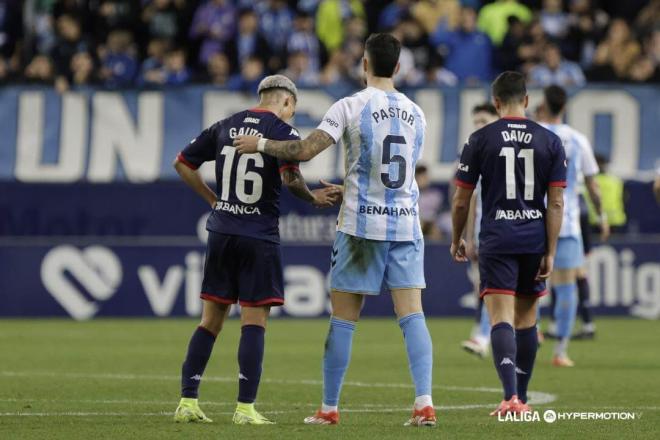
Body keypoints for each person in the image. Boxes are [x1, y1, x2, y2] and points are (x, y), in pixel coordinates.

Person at [235, 33, 436, 427]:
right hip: (405, 224)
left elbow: (306, 149)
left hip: (361, 226)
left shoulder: (350, 105)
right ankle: (424, 404)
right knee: (412, 316)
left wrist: (261, 144)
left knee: (344, 318)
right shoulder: (417, 112)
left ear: (364, 64)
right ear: (397, 67)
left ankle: (329, 409)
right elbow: (397, 172)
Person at [172, 75, 341, 425]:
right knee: (254, 320)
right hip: (258, 235)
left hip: (221, 231)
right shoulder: (281, 131)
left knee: (210, 321)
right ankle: (245, 408)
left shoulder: (225, 126)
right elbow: (291, 177)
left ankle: (187, 402)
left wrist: (213, 200)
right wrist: (313, 198)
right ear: (288, 102)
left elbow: (183, 164)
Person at [451, 71, 566, 415]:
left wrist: (458, 238)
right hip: (533, 238)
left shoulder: (480, 138)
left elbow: (461, 199)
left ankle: (509, 397)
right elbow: (557, 203)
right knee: (527, 319)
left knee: (500, 317)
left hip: (497, 238)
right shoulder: (550, 140)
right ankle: (524, 397)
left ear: (496, 102)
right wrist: (551, 251)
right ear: (528, 101)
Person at [536, 85, 608, 366]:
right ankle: (561, 351)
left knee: (527, 284)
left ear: (542, 105)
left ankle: (531, 336)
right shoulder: (578, 140)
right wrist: (601, 216)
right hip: (565, 222)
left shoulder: (532, 134)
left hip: (531, 219)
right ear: (565, 107)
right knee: (566, 288)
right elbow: (593, 185)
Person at [460, 103, 499, 359]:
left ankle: (483, 336)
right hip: (486, 234)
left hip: (508, 230)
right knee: (486, 289)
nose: (478, 127)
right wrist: (469, 236)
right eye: (475, 122)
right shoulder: (475, 150)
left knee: (494, 289)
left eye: (483, 120)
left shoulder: (506, 149)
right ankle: (483, 334)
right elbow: (471, 199)